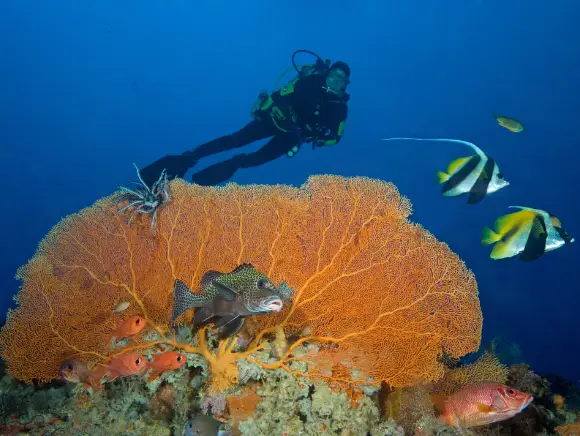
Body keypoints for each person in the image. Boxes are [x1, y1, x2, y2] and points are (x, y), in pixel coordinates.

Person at [139, 55, 351, 187]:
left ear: (346, 84)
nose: (336, 80)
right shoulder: (310, 81)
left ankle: (200, 183)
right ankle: (184, 160)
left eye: (341, 78)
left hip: (292, 136)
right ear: (328, 73)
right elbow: (280, 95)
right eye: (334, 74)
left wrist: (319, 140)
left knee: (253, 159)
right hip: (275, 119)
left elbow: (337, 137)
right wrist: (263, 109)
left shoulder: (339, 108)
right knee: (233, 140)